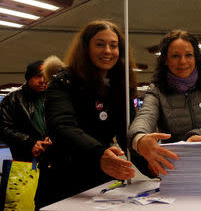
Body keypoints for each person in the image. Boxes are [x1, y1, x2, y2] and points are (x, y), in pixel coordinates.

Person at [36, 20, 137, 208]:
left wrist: (152, 159)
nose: (108, 50)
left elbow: (127, 132)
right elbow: (62, 126)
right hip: (62, 181)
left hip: (100, 183)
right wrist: (99, 153)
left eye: (113, 46)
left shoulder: (120, 87)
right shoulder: (62, 83)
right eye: (100, 44)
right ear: (85, 48)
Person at [129, 30, 201, 177]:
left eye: (188, 55)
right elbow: (145, 116)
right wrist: (140, 138)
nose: (182, 61)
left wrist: (198, 136)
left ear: (196, 58)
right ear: (166, 60)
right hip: (175, 169)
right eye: (175, 56)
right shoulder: (157, 90)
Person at [0, 60, 51, 162]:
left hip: (53, 157)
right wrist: (30, 142)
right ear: (28, 78)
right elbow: (3, 128)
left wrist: (53, 137)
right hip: (25, 158)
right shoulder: (12, 99)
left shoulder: (54, 96)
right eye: (37, 76)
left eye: (46, 76)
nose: (43, 80)